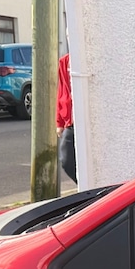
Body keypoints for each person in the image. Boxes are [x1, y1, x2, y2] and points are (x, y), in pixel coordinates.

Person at [56, 51, 75, 183]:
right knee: (66, 160)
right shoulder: (64, 62)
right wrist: (60, 122)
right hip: (71, 121)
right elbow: (62, 90)